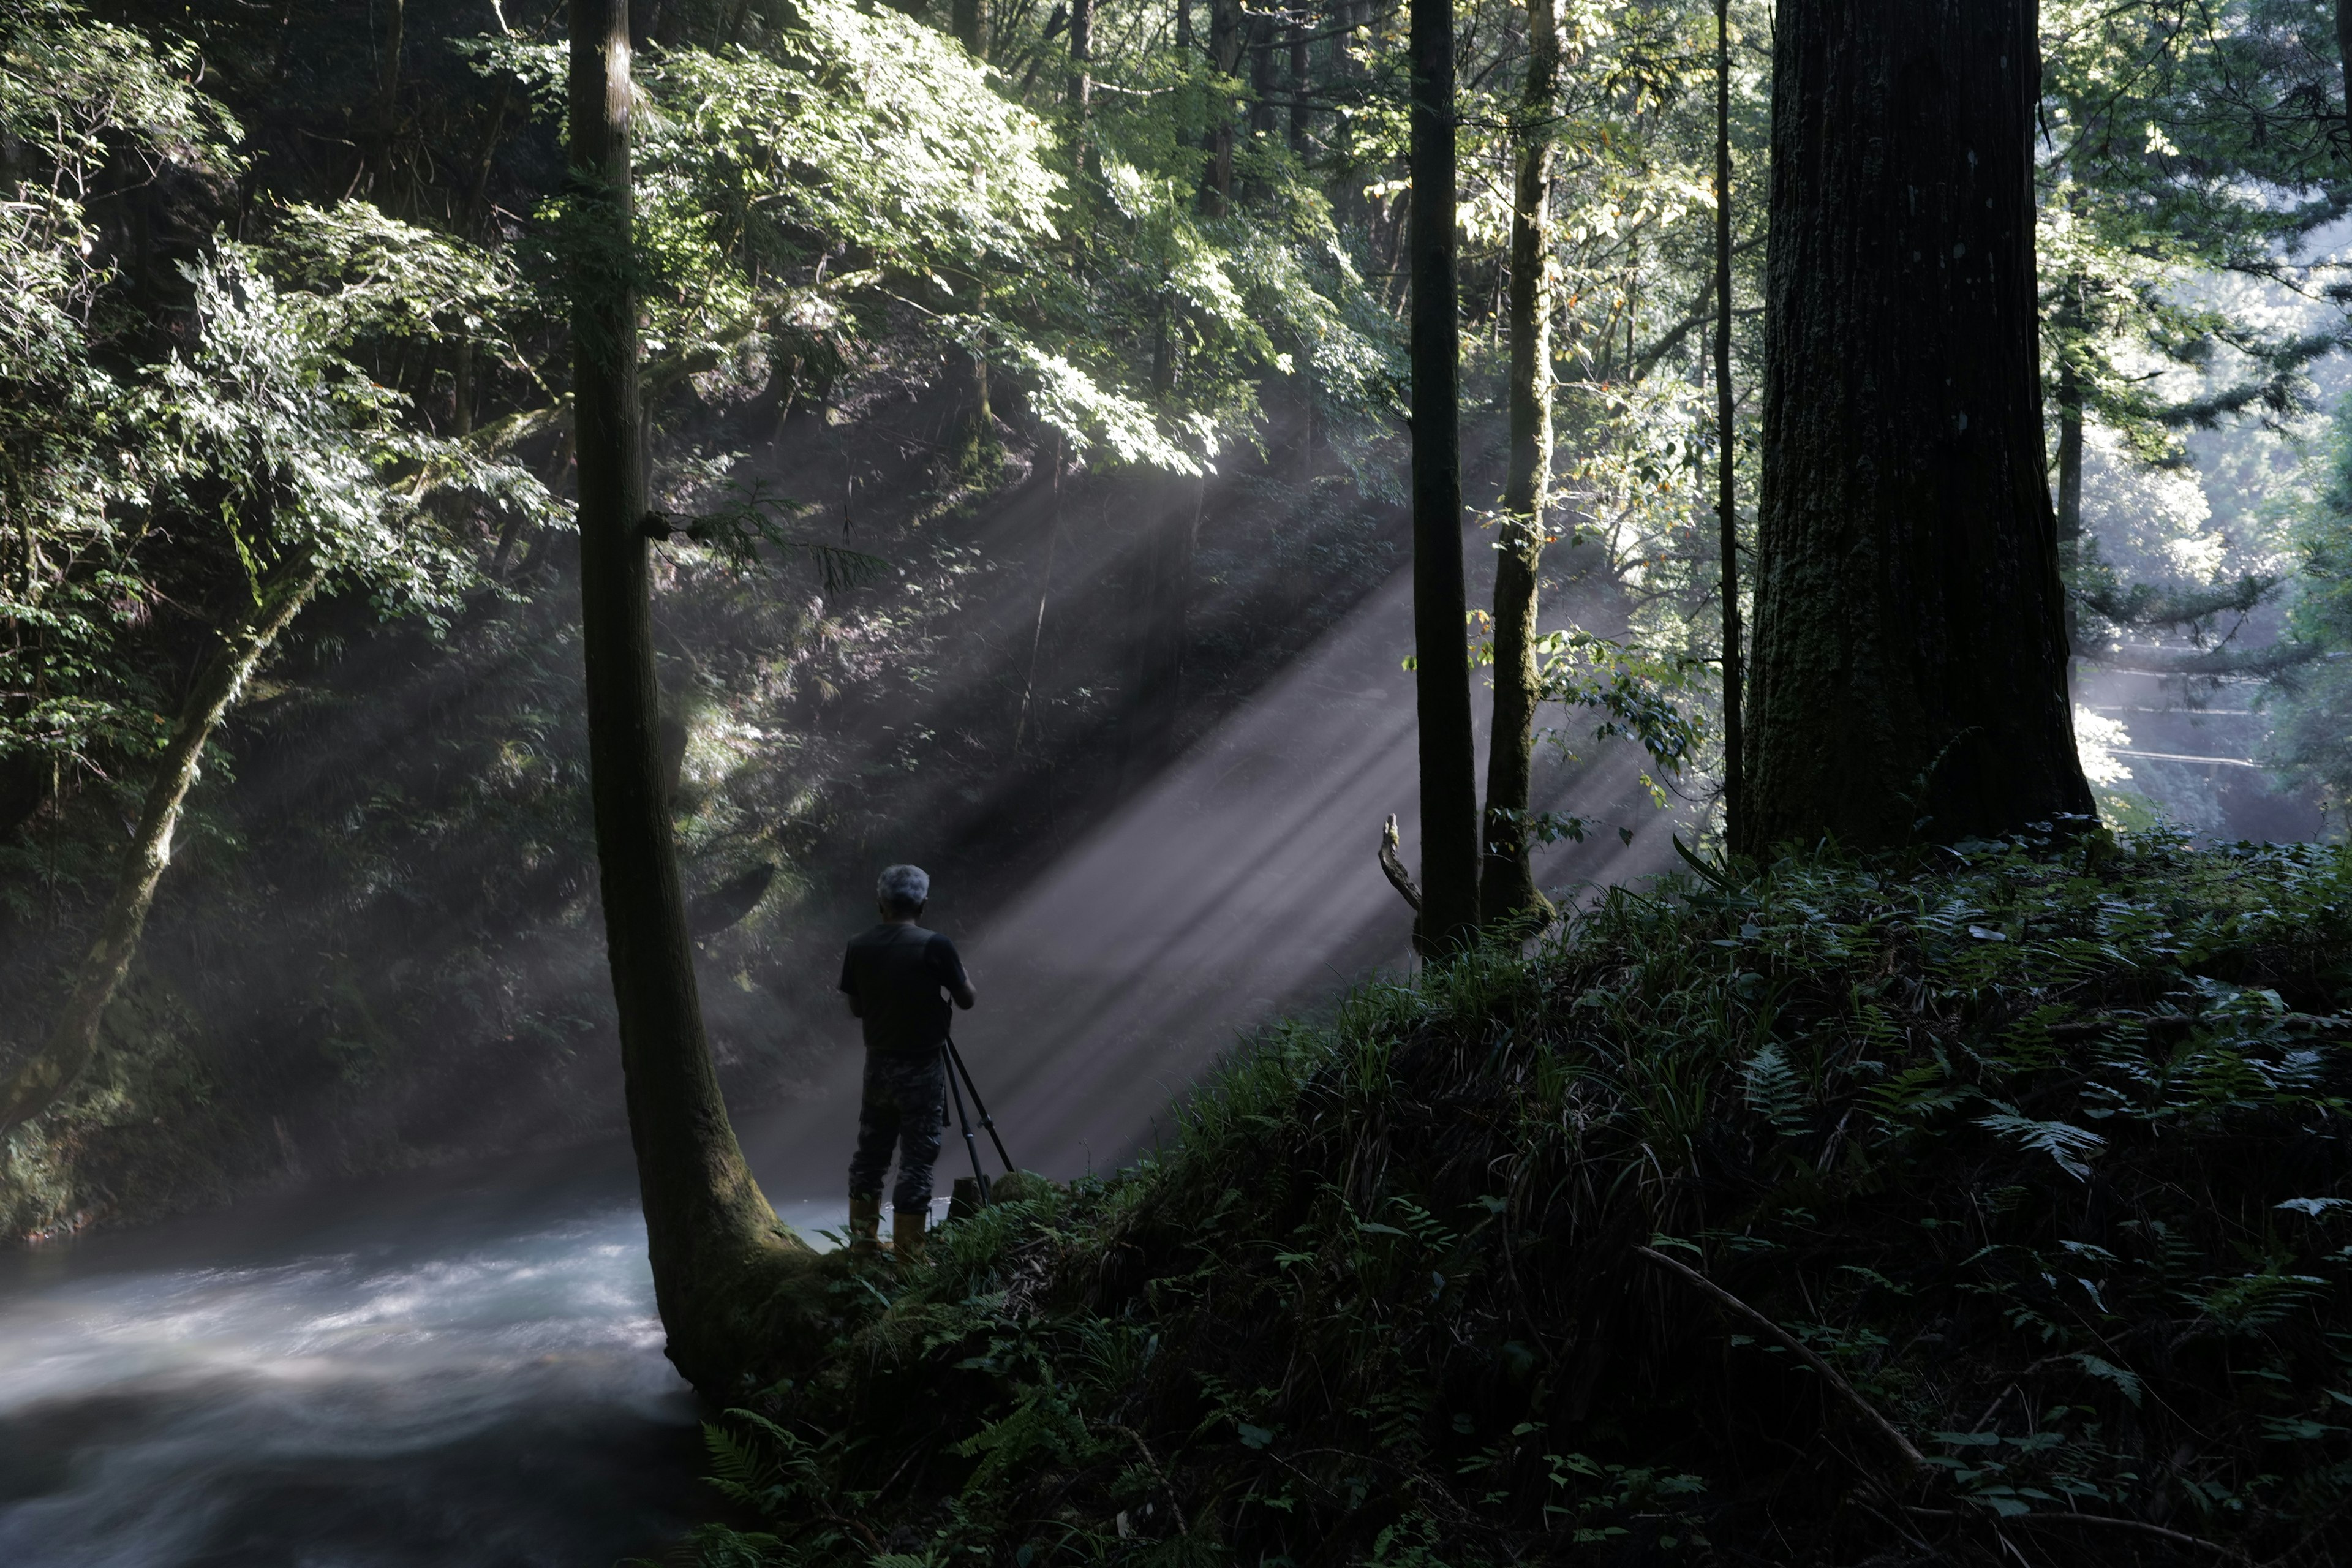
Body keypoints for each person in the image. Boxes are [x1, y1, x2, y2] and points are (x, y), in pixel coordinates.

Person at [838, 863, 974, 1260]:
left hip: (878, 1067)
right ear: (923, 904)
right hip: (923, 1069)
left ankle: (863, 1248)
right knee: (918, 1158)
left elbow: (857, 1008)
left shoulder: (859, 946)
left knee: (870, 1157)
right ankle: (909, 1258)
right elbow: (966, 999)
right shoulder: (936, 945)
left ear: (880, 903)